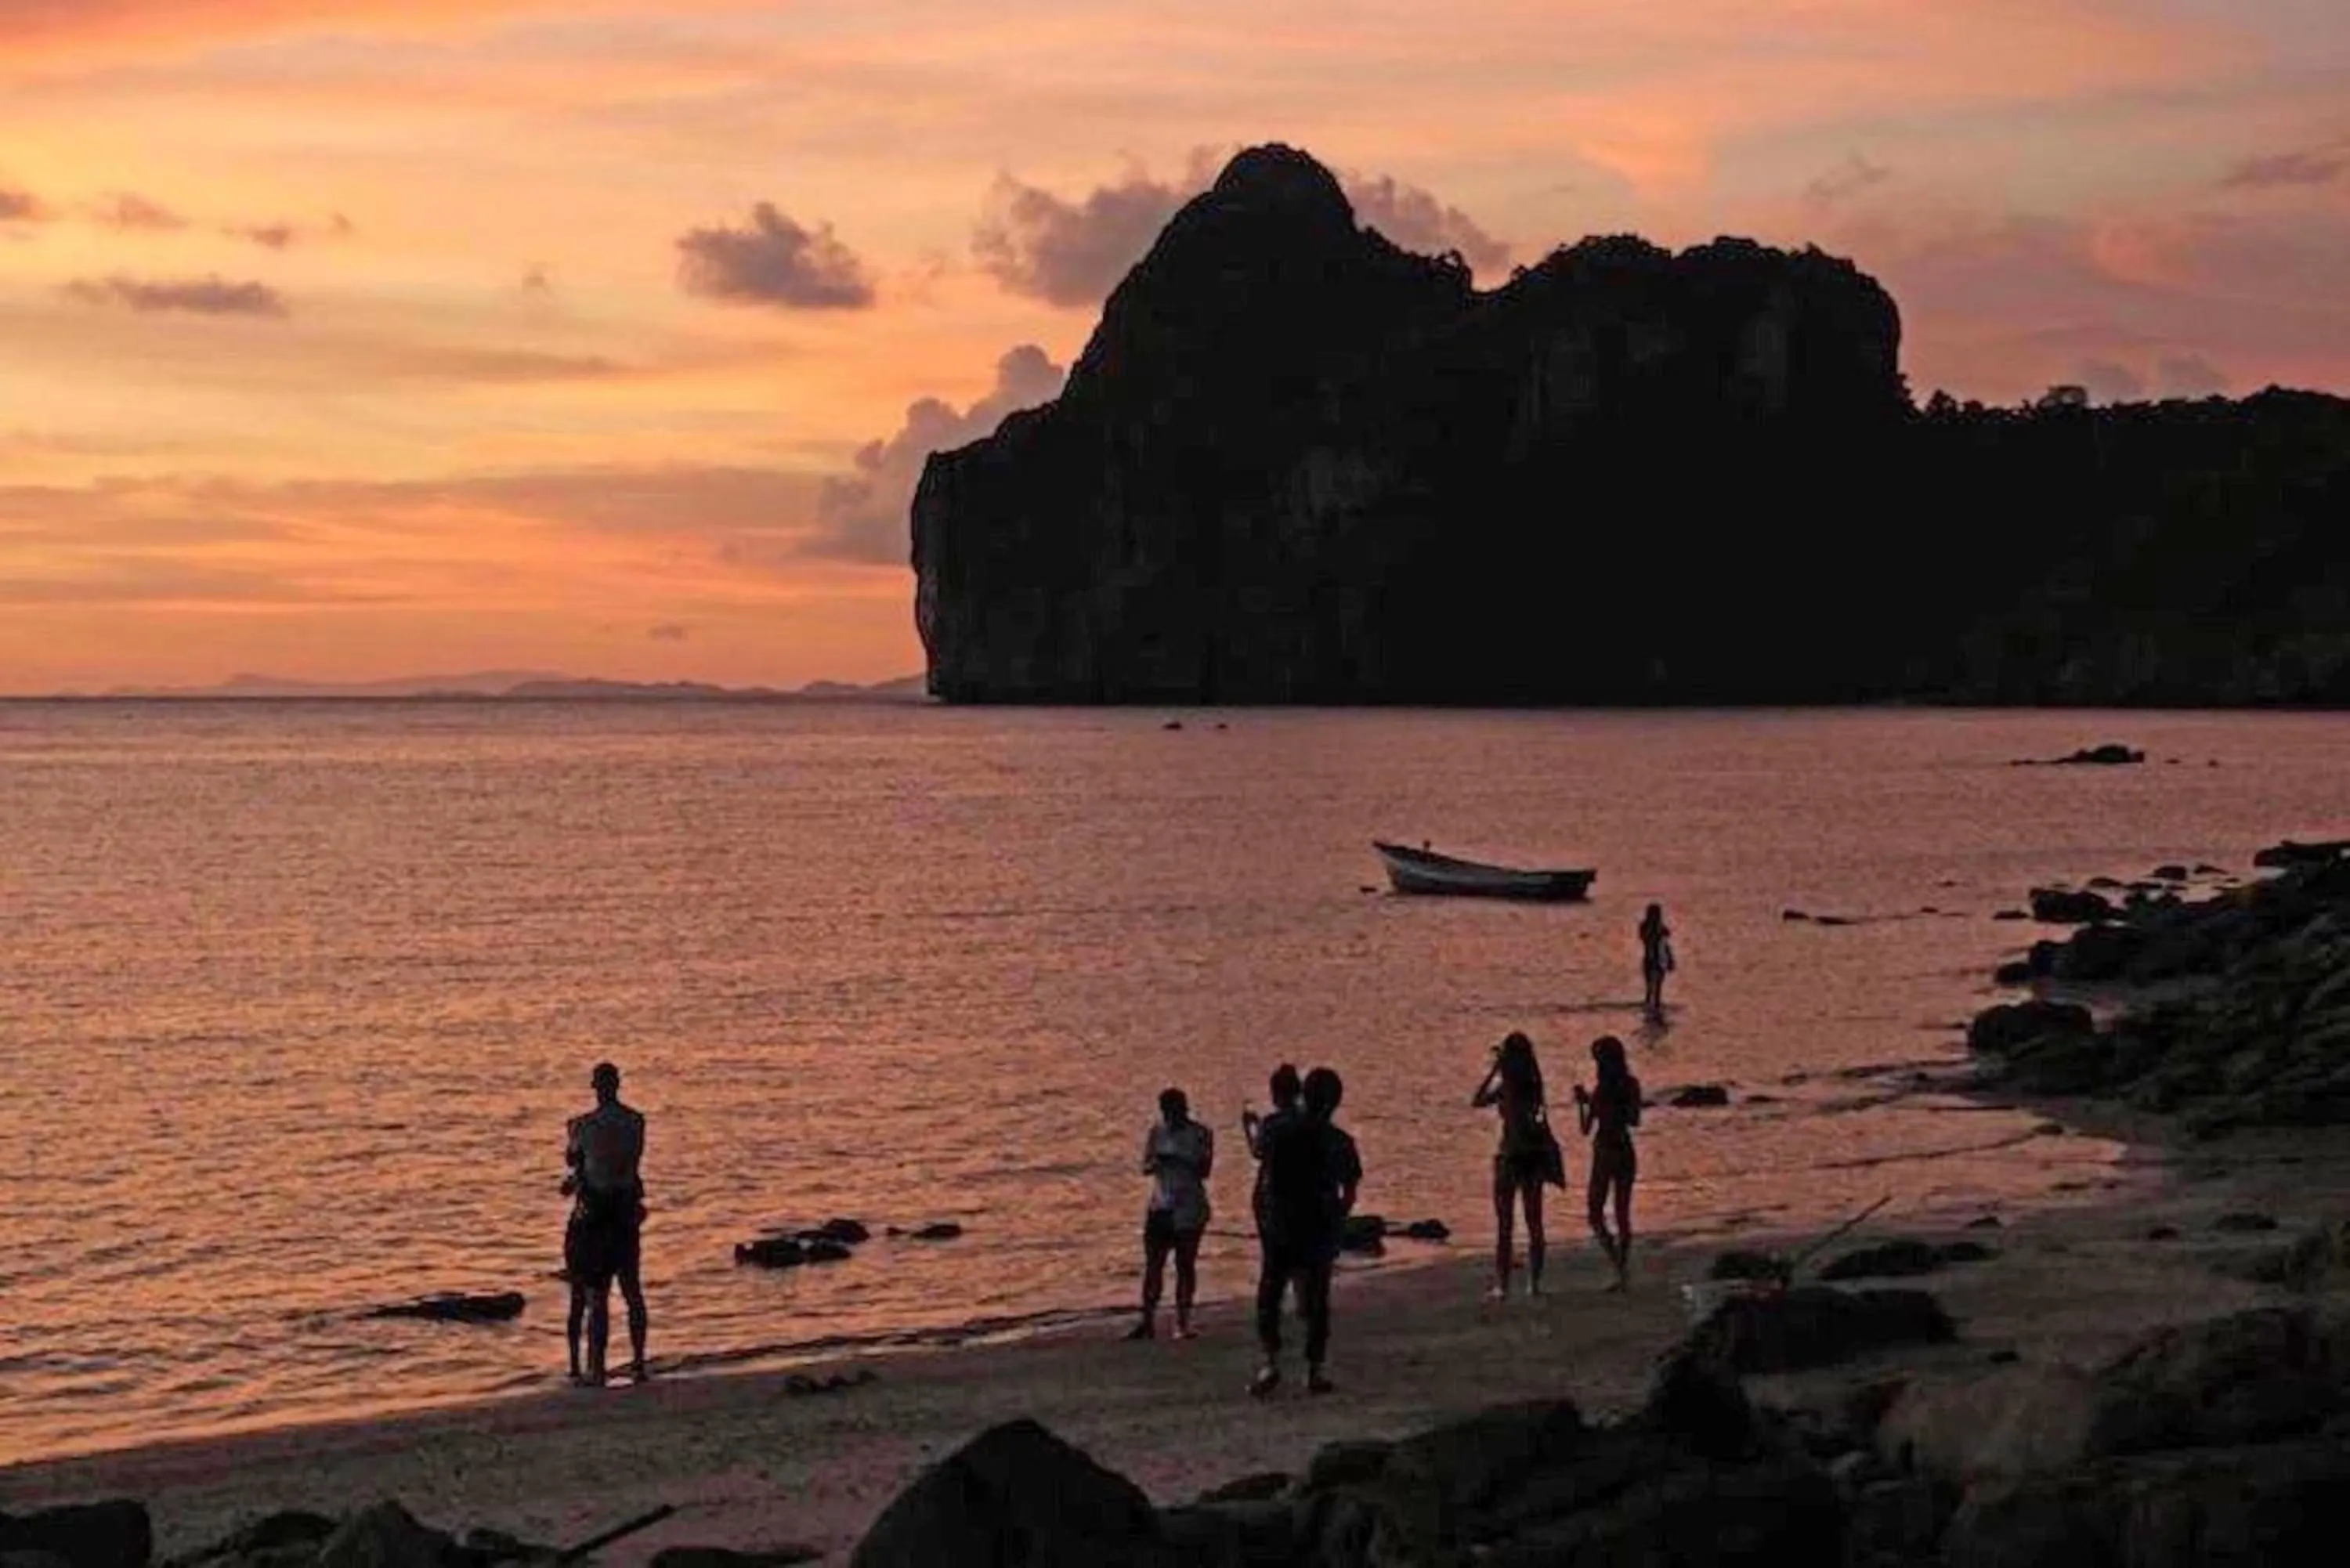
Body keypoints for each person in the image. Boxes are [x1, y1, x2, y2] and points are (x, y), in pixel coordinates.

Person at [1251, 1065, 1360, 1397]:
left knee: (1271, 1293)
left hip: (1281, 1223)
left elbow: (1260, 1155)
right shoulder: (1339, 1140)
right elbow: (1350, 1190)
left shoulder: (1275, 1128)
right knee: (1317, 1299)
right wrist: (1338, 1220)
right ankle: (1314, 1369)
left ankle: (1271, 1361)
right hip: (1318, 1225)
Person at [563, 1061, 648, 1385]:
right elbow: (632, 1161)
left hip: (597, 1216)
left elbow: (573, 1158)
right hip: (625, 1212)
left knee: (597, 1295)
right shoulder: (636, 1122)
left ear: (596, 1087)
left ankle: (596, 1369)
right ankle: (638, 1362)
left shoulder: (584, 1126)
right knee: (632, 1290)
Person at [1473, 1031, 1556, 1299]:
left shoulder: (1511, 1087)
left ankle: (1506, 1284)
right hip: (1528, 1156)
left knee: (1507, 1224)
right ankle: (1533, 1283)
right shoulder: (1531, 1085)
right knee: (1532, 1222)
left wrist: (1495, 1072)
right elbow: (1478, 1101)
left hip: (1512, 1155)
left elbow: (1478, 1099)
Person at [1128, 1087, 1214, 1341]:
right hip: (1161, 1204)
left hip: (1189, 1206)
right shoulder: (1157, 1132)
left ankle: (1183, 1322)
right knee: (1154, 1264)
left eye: (1174, 1111)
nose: (1170, 1117)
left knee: (1185, 1264)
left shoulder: (1200, 1133)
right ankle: (1147, 1320)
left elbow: (1204, 1169)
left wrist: (1181, 1160)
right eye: (1166, 1113)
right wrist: (1158, 1162)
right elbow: (1145, 1166)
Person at [1574, 1036, 1642, 1291]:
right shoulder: (1629, 1085)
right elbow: (1634, 1120)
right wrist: (1587, 1103)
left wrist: (1587, 1104)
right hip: (1622, 1148)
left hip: (1606, 1150)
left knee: (1597, 1212)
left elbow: (1585, 1128)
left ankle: (1619, 1267)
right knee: (1620, 1213)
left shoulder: (1603, 1090)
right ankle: (1620, 1268)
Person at [1639, 904, 1674, 1021]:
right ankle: (1653, 1007)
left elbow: (1665, 941)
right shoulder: (1651, 928)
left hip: (1655, 958)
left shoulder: (1655, 928)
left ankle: (1652, 1006)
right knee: (1653, 986)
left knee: (1654, 986)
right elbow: (1648, 939)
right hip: (1653, 959)